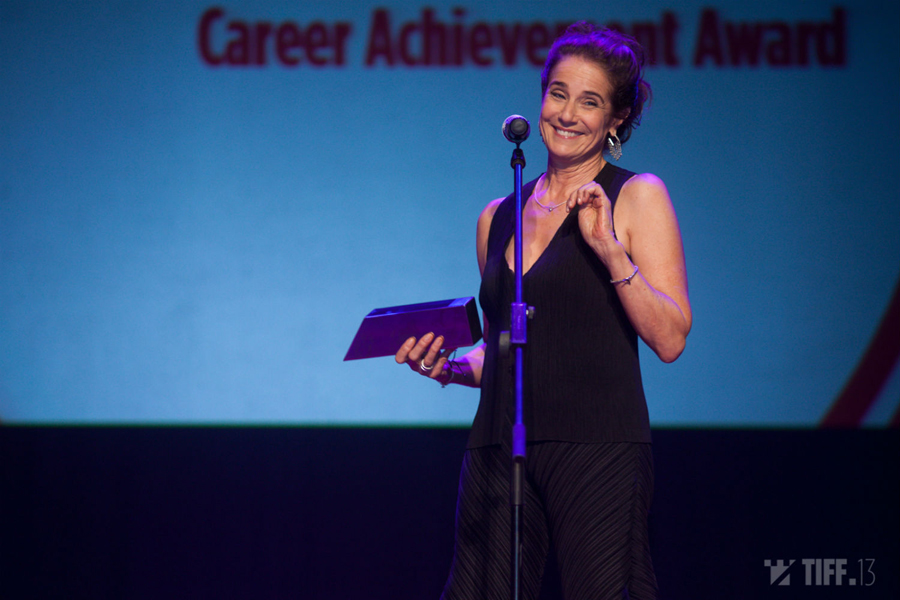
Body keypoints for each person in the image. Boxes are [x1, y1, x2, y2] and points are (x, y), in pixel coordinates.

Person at [395, 22, 691, 600]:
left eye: (590, 102)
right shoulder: (496, 216)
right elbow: (508, 349)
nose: (567, 114)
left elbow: (671, 337)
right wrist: (450, 367)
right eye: (558, 93)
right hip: (500, 445)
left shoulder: (637, 195)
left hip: (598, 444)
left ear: (616, 119)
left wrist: (608, 246)